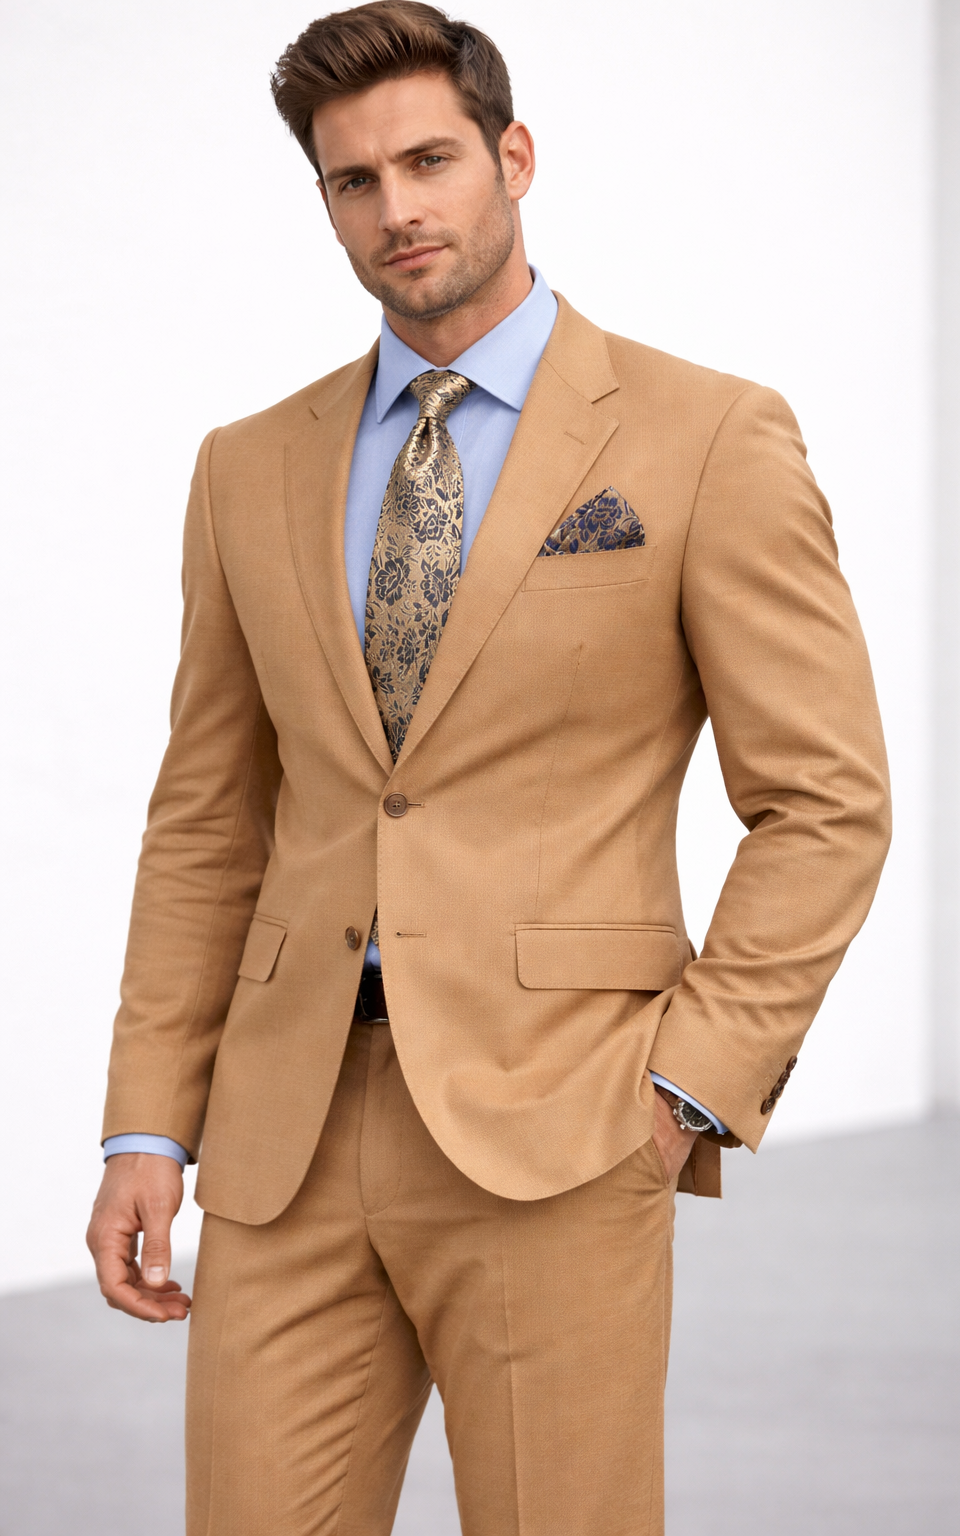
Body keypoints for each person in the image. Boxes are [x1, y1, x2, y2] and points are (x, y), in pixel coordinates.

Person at [86, 4, 891, 1532]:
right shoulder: (244, 467)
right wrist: (146, 1125)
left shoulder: (706, 435)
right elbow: (204, 823)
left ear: (512, 158)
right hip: (284, 1136)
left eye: (431, 161)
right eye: (353, 181)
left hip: (564, 1126)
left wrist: (686, 1090)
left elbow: (827, 802)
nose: (398, 208)